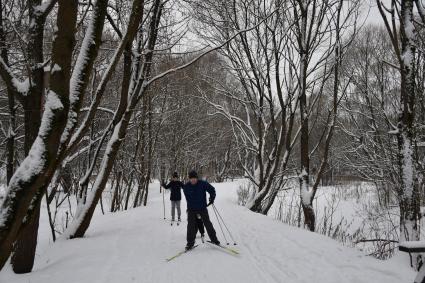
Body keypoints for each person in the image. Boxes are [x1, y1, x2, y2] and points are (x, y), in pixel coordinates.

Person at [183, 170, 219, 250]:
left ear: (197, 178)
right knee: (191, 226)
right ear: (189, 179)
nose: (193, 180)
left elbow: (212, 189)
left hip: (202, 208)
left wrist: (212, 197)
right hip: (191, 209)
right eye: (191, 178)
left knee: (207, 224)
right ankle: (190, 243)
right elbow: (188, 199)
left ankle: (214, 240)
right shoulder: (186, 187)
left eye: (194, 178)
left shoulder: (202, 184)